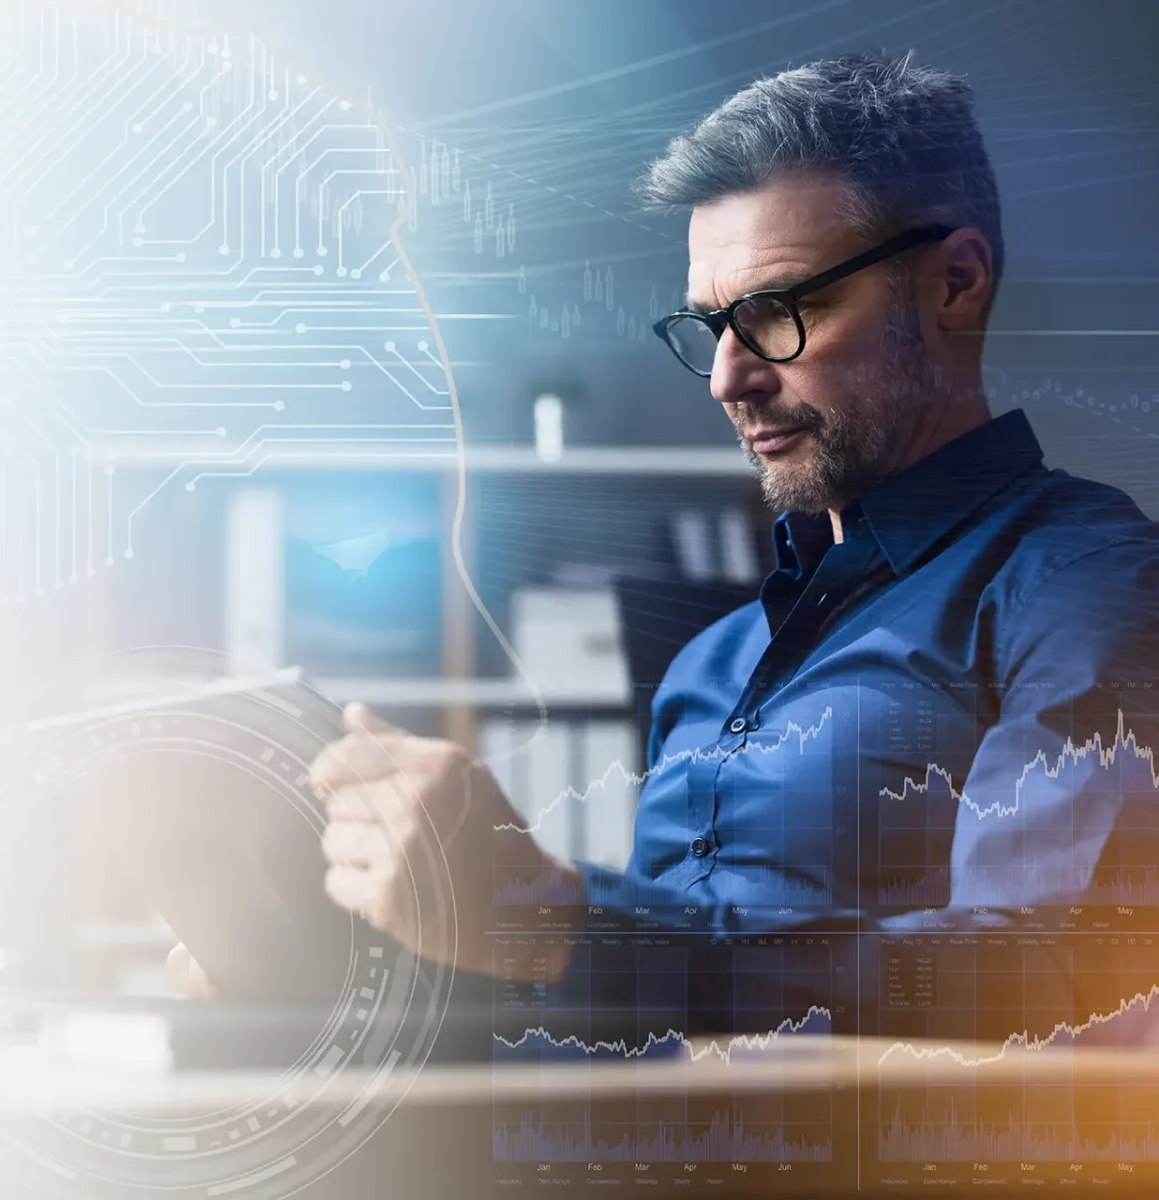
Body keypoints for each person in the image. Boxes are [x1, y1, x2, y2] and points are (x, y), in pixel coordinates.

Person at [173, 51, 1159, 1045]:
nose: (727, 379)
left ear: (955, 283)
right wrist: (358, 976)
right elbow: (653, 1033)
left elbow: (1057, 985)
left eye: (779, 311)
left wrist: (559, 927)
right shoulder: (712, 667)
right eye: (708, 327)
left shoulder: (1084, 585)